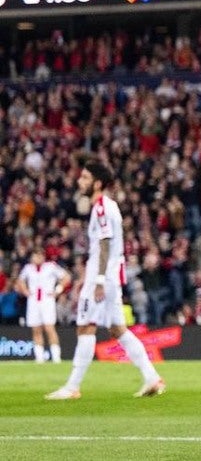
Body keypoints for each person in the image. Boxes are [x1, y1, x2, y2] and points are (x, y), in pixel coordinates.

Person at [46, 162, 166, 400]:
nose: (80, 181)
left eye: (85, 178)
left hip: (104, 275)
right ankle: (152, 377)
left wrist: (98, 280)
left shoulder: (101, 207)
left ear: (97, 183)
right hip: (112, 274)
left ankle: (72, 387)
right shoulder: (108, 206)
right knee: (117, 329)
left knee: (86, 325)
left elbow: (103, 245)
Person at [15, 248, 70, 363]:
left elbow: (66, 277)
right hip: (33, 301)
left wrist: (57, 290)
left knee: (49, 328)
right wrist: (25, 291)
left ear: (43, 256)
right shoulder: (28, 268)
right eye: (35, 256)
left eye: (39, 256)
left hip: (47, 300)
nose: (37, 258)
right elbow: (20, 280)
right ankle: (39, 358)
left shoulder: (51, 266)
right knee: (36, 329)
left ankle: (56, 358)